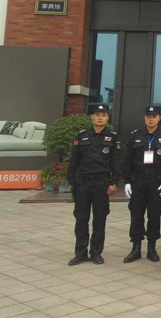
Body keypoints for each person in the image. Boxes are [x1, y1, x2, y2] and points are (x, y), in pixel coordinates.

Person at [67, 104, 121, 265]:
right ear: (92, 117)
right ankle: (80, 253)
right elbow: (74, 161)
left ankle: (96, 252)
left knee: (99, 220)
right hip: (83, 183)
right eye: (97, 115)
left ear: (107, 118)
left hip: (101, 183)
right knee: (81, 219)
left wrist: (114, 182)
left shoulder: (112, 137)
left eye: (103, 115)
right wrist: (72, 181)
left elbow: (115, 162)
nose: (100, 118)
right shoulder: (82, 136)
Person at [122, 105, 161, 263]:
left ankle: (152, 248)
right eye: (148, 116)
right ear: (145, 118)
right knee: (136, 215)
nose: (151, 119)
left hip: (156, 182)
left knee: (154, 216)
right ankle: (136, 248)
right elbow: (128, 160)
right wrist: (127, 182)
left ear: (159, 118)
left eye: (154, 116)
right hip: (137, 181)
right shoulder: (135, 136)